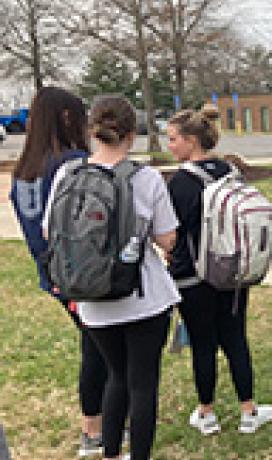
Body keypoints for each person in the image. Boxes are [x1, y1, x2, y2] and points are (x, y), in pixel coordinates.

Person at [43, 95, 179, 460]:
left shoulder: (67, 175)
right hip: (143, 296)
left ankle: (111, 454)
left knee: (115, 377)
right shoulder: (145, 177)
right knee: (143, 385)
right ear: (131, 134)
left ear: (92, 131)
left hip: (93, 300)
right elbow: (167, 238)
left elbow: (49, 232)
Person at [9, 86, 109, 458]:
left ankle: (96, 428)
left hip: (52, 275)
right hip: (81, 274)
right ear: (68, 118)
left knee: (95, 347)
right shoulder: (73, 163)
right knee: (103, 351)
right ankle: (97, 429)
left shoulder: (24, 171)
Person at [165, 105, 272, 435]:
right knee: (235, 338)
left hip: (191, 277)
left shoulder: (180, 183)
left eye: (172, 139)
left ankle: (207, 413)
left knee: (202, 343)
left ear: (190, 141)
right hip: (231, 272)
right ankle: (248, 410)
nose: (168, 145)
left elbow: (170, 235)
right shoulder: (230, 171)